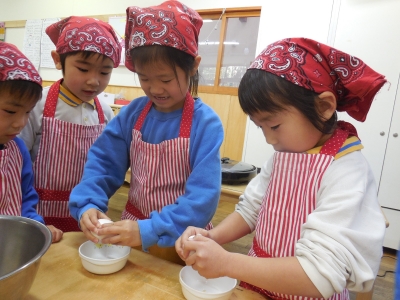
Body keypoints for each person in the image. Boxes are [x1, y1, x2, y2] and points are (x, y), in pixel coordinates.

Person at [175, 37, 387, 299]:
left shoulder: (347, 170)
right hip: (257, 286)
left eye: (274, 126)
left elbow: (320, 274)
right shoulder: (284, 155)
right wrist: (211, 237)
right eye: (260, 127)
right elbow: (251, 210)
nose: (269, 139)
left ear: (324, 107)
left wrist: (227, 263)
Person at [68, 0, 224, 264]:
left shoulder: (206, 124)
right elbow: (104, 163)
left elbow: (202, 199)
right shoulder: (133, 114)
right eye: (144, 78)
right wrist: (88, 203)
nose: (155, 89)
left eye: (165, 79)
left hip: (183, 238)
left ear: (193, 66)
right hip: (132, 231)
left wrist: (149, 230)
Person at [19, 16, 121, 232]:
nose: (94, 80)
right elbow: (18, 163)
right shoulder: (37, 105)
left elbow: (108, 166)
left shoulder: (104, 113)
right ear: (58, 60)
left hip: (89, 216)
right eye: (83, 69)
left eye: (104, 72)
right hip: (41, 215)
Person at [0, 42, 62, 243]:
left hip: (11, 247)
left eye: (28, 112)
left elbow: (25, 198)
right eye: (10, 111)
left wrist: (36, 225)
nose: (20, 123)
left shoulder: (17, 150)